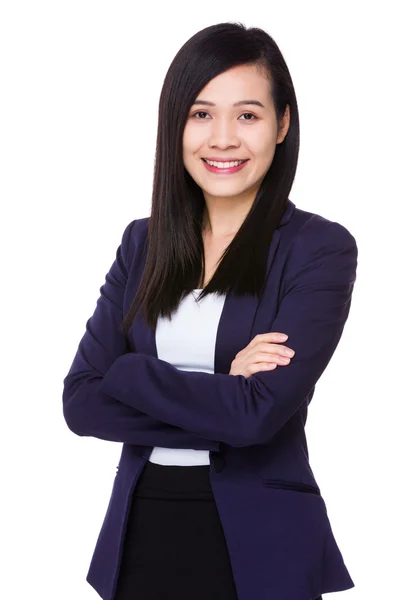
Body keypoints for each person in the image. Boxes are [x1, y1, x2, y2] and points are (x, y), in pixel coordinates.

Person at [62, 21, 357, 600]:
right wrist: (223, 388)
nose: (222, 138)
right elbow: (81, 403)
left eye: (247, 115)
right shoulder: (140, 244)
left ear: (283, 125)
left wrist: (130, 374)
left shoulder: (318, 248)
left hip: (262, 546)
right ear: (176, 125)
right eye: (201, 114)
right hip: (141, 535)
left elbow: (257, 417)